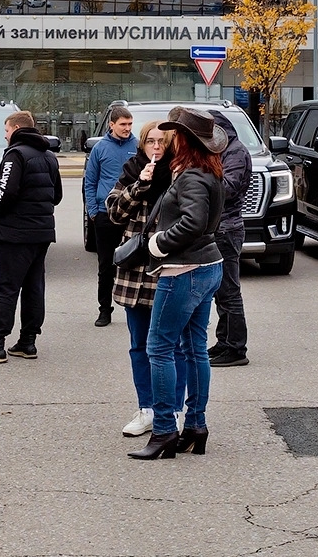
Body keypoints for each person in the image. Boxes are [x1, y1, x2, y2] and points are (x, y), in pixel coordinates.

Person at [129, 107, 228, 461]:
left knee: (159, 348)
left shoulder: (191, 177)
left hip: (183, 269)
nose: (169, 139)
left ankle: (165, 432)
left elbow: (194, 221)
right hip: (207, 264)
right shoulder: (207, 171)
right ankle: (195, 427)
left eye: (174, 134)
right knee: (194, 347)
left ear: (184, 139)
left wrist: (159, 243)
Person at [0, 111, 61, 363]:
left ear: (17, 128)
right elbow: (57, 196)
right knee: (33, 287)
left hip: (15, 233)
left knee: (4, 288)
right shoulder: (49, 156)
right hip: (42, 232)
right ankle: (27, 342)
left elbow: (3, 193)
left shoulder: (15, 154)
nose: (5, 135)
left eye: (6, 130)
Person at [105, 121, 174, 437]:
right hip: (135, 270)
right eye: (150, 141)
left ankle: (174, 410)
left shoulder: (177, 172)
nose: (156, 147)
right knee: (139, 345)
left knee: (170, 346)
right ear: (142, 144)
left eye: (162, 141)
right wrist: (138, 187)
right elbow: (114, 214)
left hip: (168, 266)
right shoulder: (132, 169)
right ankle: (146, 408)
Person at [83, 102, 137, 327]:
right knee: (106, 265)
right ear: (112, 124)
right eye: (123, 124)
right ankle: (105, 309)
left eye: (130, 124)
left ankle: (134, 309)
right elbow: (90, 181)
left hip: (132, 214)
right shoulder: (100, 148)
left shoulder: (138, 145)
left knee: (133, 262)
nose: (127, 128)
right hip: (105, 215)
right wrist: (93, 212)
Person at [207, 108, 252, 366]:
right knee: (222, 292)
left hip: (227, 228)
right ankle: (224, 342)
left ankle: (236, 348)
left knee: (229, 292)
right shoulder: (223, 151)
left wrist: (202, 180)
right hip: (220, 227)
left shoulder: (235, 152)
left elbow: (228, 188)